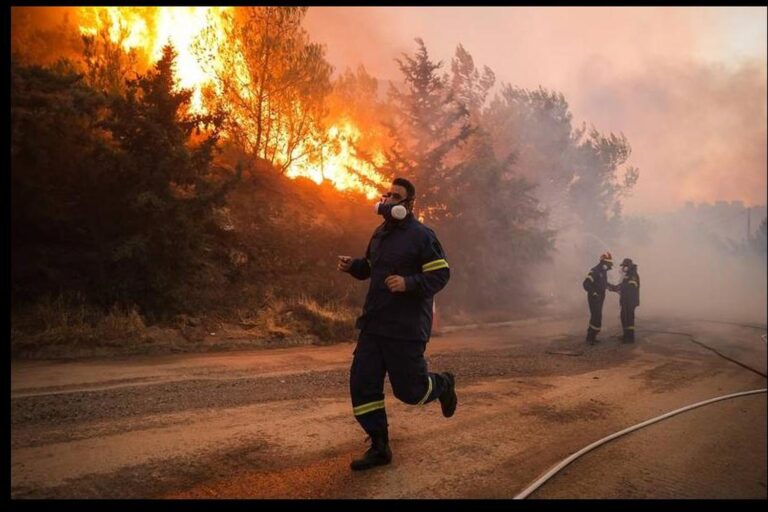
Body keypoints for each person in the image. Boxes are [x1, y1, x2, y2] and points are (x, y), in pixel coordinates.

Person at [337, 177, 457, 471]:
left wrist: (409, 283)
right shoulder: (380, 234)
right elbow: (370, 268)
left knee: (411, 392)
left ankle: (443, 384)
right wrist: (354, 266)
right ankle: (380, 446)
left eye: (396, 196)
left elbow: (441, 274)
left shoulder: (422, 236)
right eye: (387, 194)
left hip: (404, 329)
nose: (389, 199)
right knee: (363, 386)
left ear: (409, 204)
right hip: (374, 325)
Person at [582, 252, 614, 344]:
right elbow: (586, 284)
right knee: (595, 316)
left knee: (598, 316)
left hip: (600, 297)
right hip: (594, 297)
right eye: (608, 264)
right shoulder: (595, 271)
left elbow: (603, 284)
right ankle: (590, 338)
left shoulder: (603, 272)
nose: (609, 267)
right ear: (603, 262)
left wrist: (613, 287)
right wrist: (594, 293)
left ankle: (593, 336)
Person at [608, 258, 640, 343]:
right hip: (626, 300)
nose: (623, 268)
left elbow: (630, 286)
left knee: (629, 319)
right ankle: (626, 335)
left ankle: (630, 338)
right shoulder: (628, 275)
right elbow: (624, 286)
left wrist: (619, 287)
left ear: (628, 266)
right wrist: (613, 288)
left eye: (624, 266)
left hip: (630, 301)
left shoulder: (633, 274)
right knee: (624, 318)